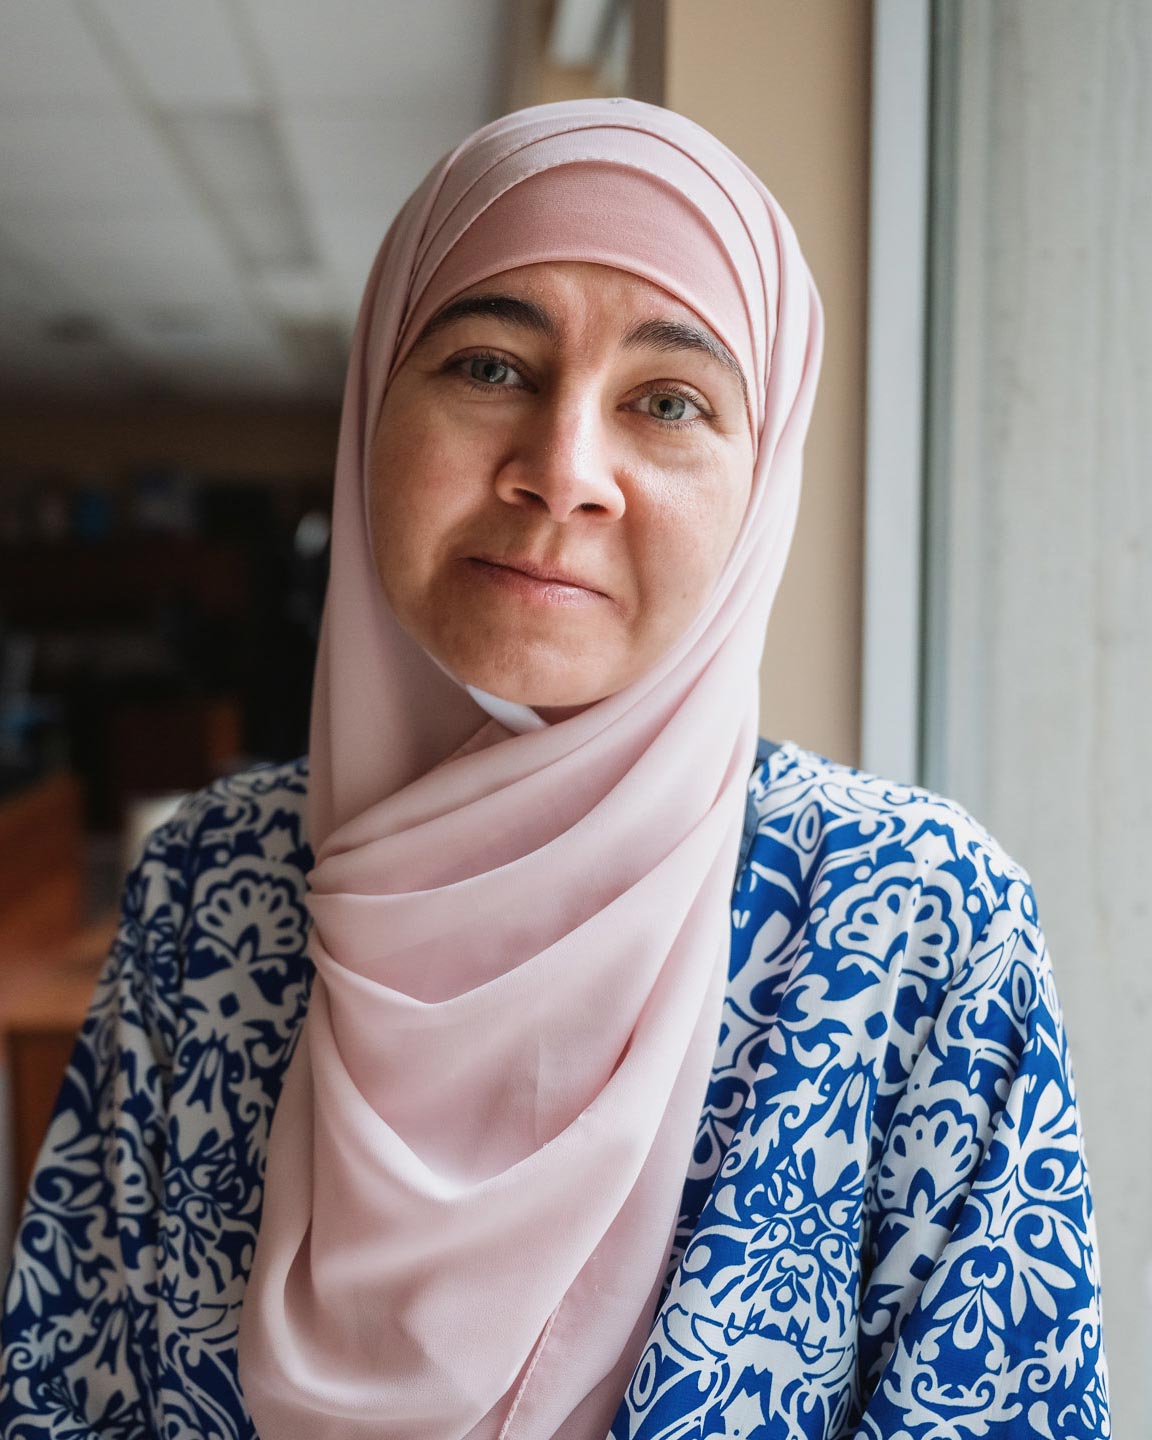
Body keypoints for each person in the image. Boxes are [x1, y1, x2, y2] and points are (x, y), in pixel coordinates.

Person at [0, 98, 1109, 1440]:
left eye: (670, 400)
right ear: (374, 404)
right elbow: (69, 1392)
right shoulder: (209, 886)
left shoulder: (917, 923)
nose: (562, 472)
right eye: (489, 366)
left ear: (762, 481)